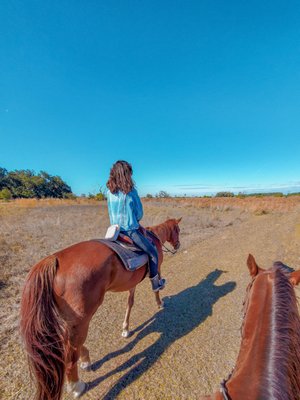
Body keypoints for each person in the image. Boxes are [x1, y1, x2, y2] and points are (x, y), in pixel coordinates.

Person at [106, 160, 166, 292]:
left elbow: (110, 212)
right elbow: (139, 214)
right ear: (127, 174)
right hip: (130, 231)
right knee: (153, 252)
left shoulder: (109, 192)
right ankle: (156, 283)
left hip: (114, 231)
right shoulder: (131, 192)